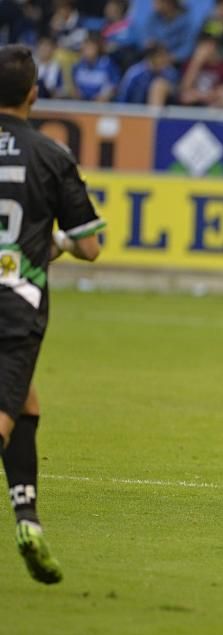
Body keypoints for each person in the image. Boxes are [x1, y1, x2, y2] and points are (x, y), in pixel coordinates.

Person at [0, 45, 105, 583]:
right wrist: (55, 241)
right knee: (6, 410)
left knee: (26, 401)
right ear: (34, 95)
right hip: (14, 300)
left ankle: (28, 519)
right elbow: (91, 247)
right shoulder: (49, 154)